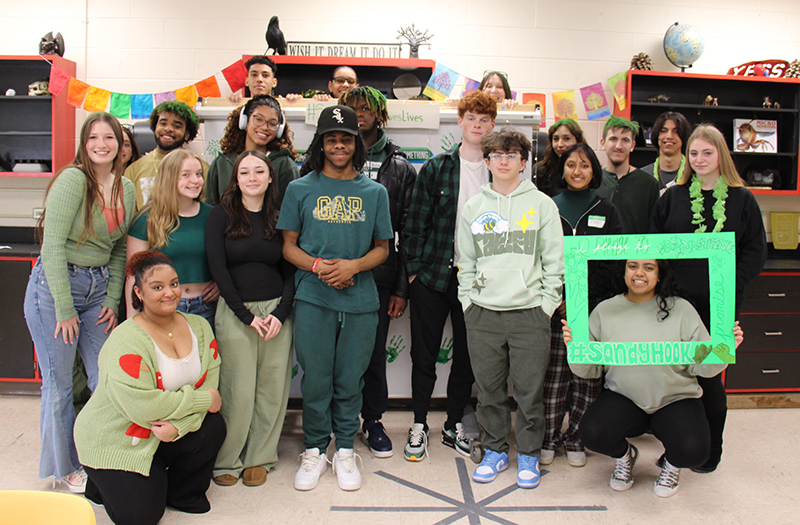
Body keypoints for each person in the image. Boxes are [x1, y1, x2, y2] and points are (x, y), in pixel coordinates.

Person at [278, 105, 392, 492]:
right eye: (331, 139)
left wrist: (353, 267)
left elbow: (383, 249)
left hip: (360, 301)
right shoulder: (300, 187)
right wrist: (318, 268)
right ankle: (314, 448)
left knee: (350, 380)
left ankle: (344, 448)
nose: (339, 145)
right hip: (313, 297)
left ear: (356, 144)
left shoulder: (374, 192)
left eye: (346, 139)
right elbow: (288, 246)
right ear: (321, 144)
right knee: (316, 380)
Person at [564, 259, 743, 497]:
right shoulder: (604, 311)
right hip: (624, 398)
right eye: (632, 266)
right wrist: (574, 349)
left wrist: (725, 351)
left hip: (676, 398)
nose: (639, 273)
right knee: (592, 433)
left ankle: (672, 465)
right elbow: (589, 370)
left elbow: (702, 367)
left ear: (659, 275)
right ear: (624, 273)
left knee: (696, 450)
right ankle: (625, 457)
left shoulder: (681, 309)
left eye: (649, 268)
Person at [23, 112, 135, 492]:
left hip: (97, 291)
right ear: (83, 144)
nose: (102, 144)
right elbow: (51, 245)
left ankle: (100, 454)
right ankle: (64, 468)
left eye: (110, 137)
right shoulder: (73, 181)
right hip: (56, 288)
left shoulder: (127, 187)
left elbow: (118, 249)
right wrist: (65, 308)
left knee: (105, 377)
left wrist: (111, 298)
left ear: (121, 145)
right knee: (58, 385)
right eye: (94, 138)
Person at [74, 251, 226, 524]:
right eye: (157, 287)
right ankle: (100, 479)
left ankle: (179, 493)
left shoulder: (200, 327)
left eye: (174, 283)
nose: (170, 293)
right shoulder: (126, 339)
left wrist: (178, 427)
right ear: (139, 293)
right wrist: (203, 401)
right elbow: (144, 406)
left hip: (161, 431)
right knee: (142, 517)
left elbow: (210, 383)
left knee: (213, 428)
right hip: (116, 437)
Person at [652, 124, 767, 473]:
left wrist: (729, 282)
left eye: (707, 152)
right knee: (674, 374)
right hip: (675, 304)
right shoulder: (671, 197)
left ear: (721, 155)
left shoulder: (742, 199)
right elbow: (656, 247)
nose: (700, 159)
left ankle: (710, 450)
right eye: (694, 153)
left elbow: (755, 251)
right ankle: (677, 448)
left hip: (719, 303)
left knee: (709, 377)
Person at [457, 128, 563, 488]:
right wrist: (468, 303)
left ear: (523, 161)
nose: (504, 161)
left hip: (529, 312)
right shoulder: (473, 207)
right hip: (483, 313)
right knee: (488, 391)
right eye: (497, 155)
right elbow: (465, 261)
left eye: (511, 155)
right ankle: (495, 451)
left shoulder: (543, 205)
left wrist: (546, 306)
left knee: (530, 391)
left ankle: (529, 455)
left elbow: (554, 262)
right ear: (487, 162)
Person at [403, 91, 496, 461]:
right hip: (432, 277)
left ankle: (453, 422)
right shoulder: (437, 167)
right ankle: (419, 423)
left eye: (484, 119)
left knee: (468, 357)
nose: (477, 124)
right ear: (459, 121)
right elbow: (414, 223)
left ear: (492, 125)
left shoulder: (498, 170)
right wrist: (413, 272)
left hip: (479, 281)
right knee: (423, 355)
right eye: (471, 117)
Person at [206, 150, 296, 488]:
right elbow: (219, 269)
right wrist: (245, 316)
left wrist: (280, 313)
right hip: (235, 313)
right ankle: (228, 458)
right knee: (236, 390)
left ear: (271, 177)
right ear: (236, 179)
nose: (253, 177)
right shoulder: (221, 215)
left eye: (260, 171)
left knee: (272, 389)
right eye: (245, 172)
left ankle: (261, 457)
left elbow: (289, 269)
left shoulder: (280, 215)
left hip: (275, 313)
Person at [340, 86, 417, 458]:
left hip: (379, 277)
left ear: (380, 113)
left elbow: (407, 230)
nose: (360, 114)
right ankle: (333, 424)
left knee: (371, 354)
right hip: (330, 275)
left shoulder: (400, 166)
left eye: (366, 108)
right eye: (352, 108)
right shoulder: (329, 155)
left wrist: (401, 287)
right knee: (332, 354)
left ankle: (372, 420)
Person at [542, 143, 624, 470]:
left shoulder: (607, 210)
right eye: (572, 165)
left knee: (588, 379)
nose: (578, 171)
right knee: (554, 377)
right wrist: (559, 300)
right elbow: (537, 258)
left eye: (585, 166)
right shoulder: (547, 207)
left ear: (594, 172)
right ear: (562, 169)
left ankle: (575, 437)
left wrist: (580, 301)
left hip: (593, 311)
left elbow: (615, 265)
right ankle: (548, 437)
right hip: (553, 310)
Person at [126, 149, 219, 327]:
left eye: (199, 174)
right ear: (168, 178)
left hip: (206, 307)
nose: (195, 180)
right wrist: (132, 321)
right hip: (161, 307)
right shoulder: (147, 219)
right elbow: (132, 276)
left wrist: (221, 284)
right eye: (185, 175)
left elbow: (227, 259)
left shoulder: (212, 215)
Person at [206, 95, 299, 205]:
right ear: (244, 121)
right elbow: (211, 207)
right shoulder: (221, 164)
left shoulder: (285, 166)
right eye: (259, 119)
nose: (265, 127)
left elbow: (292, 212)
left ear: (278, 130)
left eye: (272, 123)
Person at [124, 101, 208, 212]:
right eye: (163, 124)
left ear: (186, 134)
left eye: (177, 126)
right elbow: (130, 216)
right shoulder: (134, 170)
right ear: (155, 127)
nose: (168, 129)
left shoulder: (202, 169)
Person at [594, 116, 660, 234]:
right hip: (600, 251)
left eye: (625, 140)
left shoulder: (649, 184)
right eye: (613, 139)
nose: (618, 146)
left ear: (632, 146)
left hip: (637, 251)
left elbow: (654, 229)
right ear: (603, 143)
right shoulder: (593, 183)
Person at [533, 119, 587, 198]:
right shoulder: (541, 171)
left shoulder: (587, 169)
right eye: (556, 139)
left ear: (577, 141)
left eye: (566, 139)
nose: (560, 144)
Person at [641, 111, 692, 189]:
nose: (669, 136)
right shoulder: (642, 176)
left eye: (676, 131)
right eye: (664, 131)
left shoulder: (694, 175)